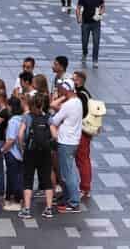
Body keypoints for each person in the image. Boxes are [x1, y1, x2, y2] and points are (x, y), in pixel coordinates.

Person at [19, 91, 55, 220]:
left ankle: (27, 209)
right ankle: (49, 208)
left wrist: (22, 146)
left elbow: (20, 134)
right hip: (45, 152)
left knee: (28, 179)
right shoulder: (48, 118)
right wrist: (50, 145)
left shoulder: (27, 117)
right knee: (46, 180)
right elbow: (55, 135)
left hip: (30, 151)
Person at [50, 80, 84, 213]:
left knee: (67, 173)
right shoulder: (78, 102)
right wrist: (66, 95)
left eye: (62, 89)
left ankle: (73, 201)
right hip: (74, 140)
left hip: (65, 142)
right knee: (70, 171)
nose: (59, 91)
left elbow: (54, 120)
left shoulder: (68, 105)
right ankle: (70, 197)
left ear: (66, 90)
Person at [2, 96, 25, 211]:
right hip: (21, 153)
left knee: (12, 177)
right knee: (20, 176)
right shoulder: (23, 118)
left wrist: (2, 150)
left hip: (12, 153)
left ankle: (14, 200)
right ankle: (19, 199)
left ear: (11, 107)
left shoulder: (12, 121)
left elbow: (10, 140)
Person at [72, 70, 93, 198]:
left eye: (74, 79)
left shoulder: (81, 95)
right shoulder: (84, 93)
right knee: (83, 159)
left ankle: (85, 187)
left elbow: (82, 113)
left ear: (79, 80)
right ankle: (85, 186)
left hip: (82, 131)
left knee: (82, 159)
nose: (72, 81)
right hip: (83, 131)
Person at [76, 0, 105, 67]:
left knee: (96, 42)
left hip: (96, 22)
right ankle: (85, 53)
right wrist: (78, 17)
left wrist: (100, 13)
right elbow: (78, 7)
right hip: (86, 22)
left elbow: (103, 6)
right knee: (84, 41)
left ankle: (95, 60)